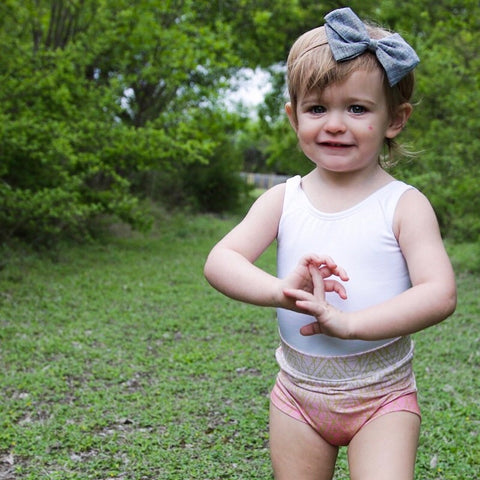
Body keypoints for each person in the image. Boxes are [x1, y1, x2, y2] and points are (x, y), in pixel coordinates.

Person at [204, 7, 456, 480]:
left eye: (357, 109)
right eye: (317, 108)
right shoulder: (284, 199)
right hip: (298, 396)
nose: (335, 124)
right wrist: (283, 292)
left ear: (394, 120)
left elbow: (438, 294)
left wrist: (350, 323)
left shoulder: (403, 205)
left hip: (382, 398)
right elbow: (221, 260)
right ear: (293, 116)